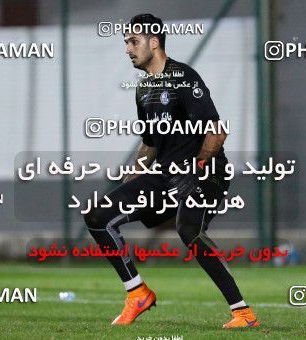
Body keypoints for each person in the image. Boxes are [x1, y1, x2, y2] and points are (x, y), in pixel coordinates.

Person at [84, 13, 259, 329]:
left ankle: (243, 313)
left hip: (208, 172)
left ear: (154, 42)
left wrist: (197, 167)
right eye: (126, 42)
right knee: (98, 215)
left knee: (188, 229)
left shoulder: (185, 78)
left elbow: (216, 133)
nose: (128, 49)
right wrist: (134, 177)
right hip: (165, 175)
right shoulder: (144, 89)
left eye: (133, 41)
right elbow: (150, 144)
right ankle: (137, 293)